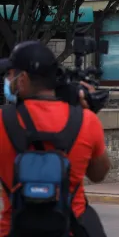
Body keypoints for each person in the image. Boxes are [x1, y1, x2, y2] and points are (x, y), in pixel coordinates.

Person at [0, 41, 111, 237]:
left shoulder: (3, 120)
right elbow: (98, 174)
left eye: (10, 74)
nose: (7, 80)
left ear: (23, 79)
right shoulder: (86, 121)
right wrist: (89, 113)